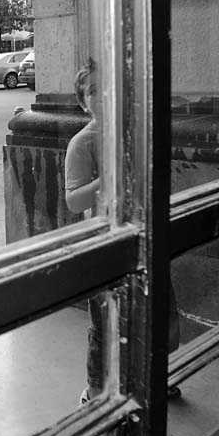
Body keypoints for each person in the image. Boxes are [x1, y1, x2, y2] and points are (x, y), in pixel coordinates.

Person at [65, 59, 181, 404]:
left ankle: (152, 376)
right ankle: (97, 389)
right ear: (83, 102)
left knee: (154, 313)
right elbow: (73, 201)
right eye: (93, 91)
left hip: (143, 235)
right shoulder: (82, 144)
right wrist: (109, 177)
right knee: (104, 326)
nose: (102, 96)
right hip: (105, 245)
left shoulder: (134, 132)